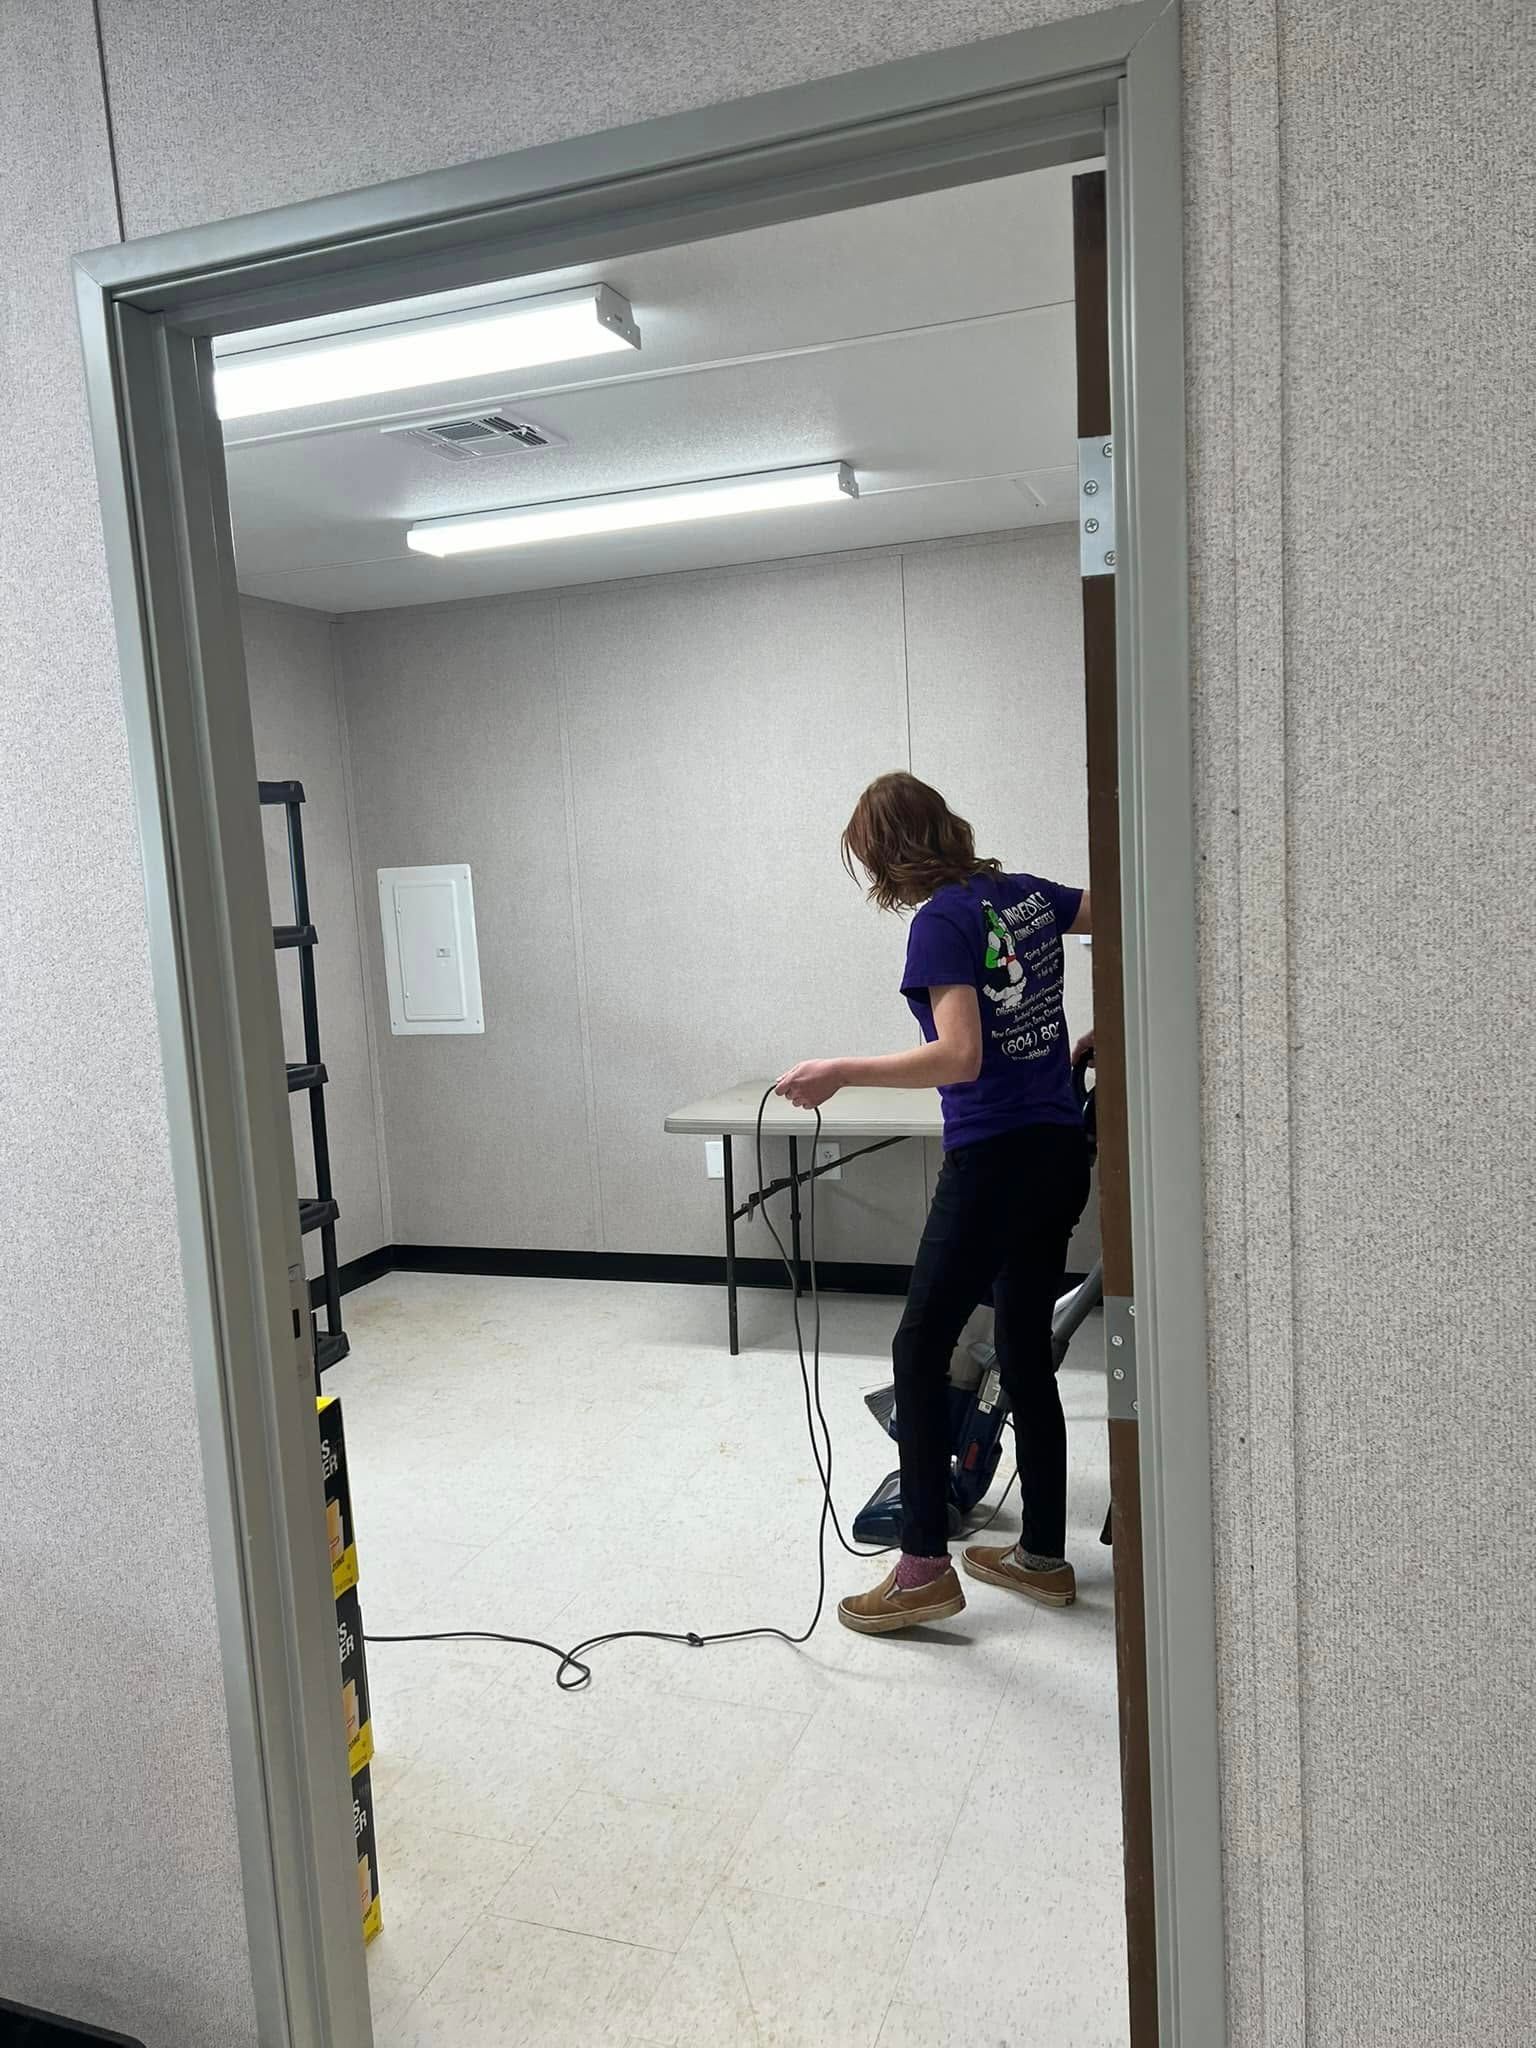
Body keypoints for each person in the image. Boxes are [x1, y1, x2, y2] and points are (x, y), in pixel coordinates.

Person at [777, 771, 1092, 1636]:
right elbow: (1133, 912)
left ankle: (921, 1569)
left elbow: (959, 1056)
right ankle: (1042, 1557)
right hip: (1060, 1153)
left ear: (890, 855)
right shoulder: (1027, 896)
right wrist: (1121, 1025)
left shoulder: (941, 922)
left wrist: (839, 1071)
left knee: (917, 1351)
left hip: (993, 1162)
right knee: (1023, 1353)